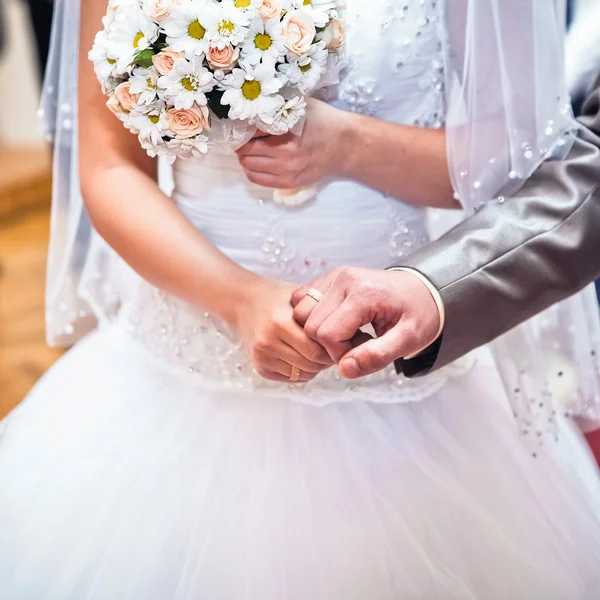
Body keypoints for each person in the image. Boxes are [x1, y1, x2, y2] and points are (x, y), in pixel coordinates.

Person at [1, 1, 600, 599]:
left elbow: (526, 160)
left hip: (399, 360)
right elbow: (108, 166)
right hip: (186, 360)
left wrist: (347, 145)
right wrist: (237, 299)